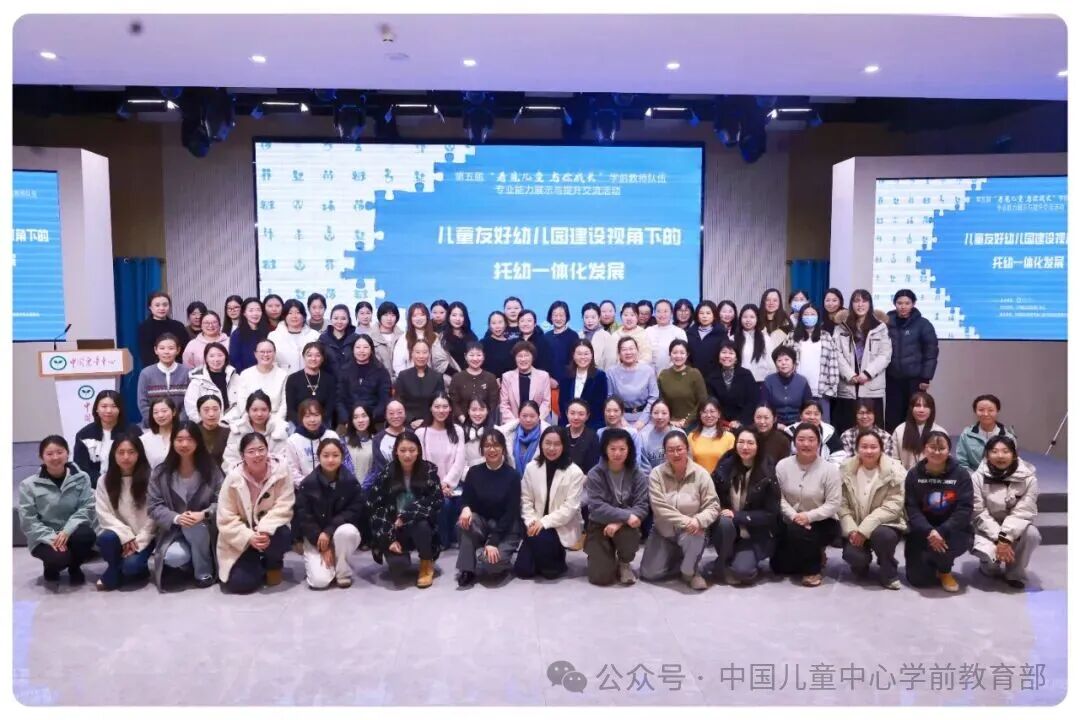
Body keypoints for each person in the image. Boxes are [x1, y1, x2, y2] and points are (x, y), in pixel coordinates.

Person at [147, 421, 225, 590]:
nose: (184, 444)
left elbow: (223, 501)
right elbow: (153, 506)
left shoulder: (212, 470)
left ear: (198, 441)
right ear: (172, 441)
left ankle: (203, 572)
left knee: (194, 526)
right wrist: (176, 518)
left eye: (190, 439)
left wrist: (204, 514)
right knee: (173, 557)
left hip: (205, 529)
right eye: (179, 439)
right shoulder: (161, 472)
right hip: (174, 531)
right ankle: (193, 561)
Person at [216, 431, 295, 593]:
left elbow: (284, 504)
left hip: (270, 531)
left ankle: (273, 563)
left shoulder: (281, 471)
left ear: (268, 450)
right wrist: (249, 537)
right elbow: (226, 517)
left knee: (282, 535)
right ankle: (254, 561)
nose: (257, 455)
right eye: (251, 451)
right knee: (241, 584)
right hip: (241, 536)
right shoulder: (233, 478)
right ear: (242, 456)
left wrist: (264, 529)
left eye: (261, 449)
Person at [640, 431, 719, 590]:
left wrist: (697, 521)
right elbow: (659, 506)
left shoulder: (701, 474)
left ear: (687, 449)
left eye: (679, 449)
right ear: (665, 452)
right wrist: (685, 520)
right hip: (663, 532)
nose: (675, 454)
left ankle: (690, 572)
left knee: (696, 536)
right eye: (670, 450)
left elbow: (713, 506)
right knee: (649, 574)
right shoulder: (656, 474)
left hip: (691, 531)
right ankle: (680, 559)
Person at [367, 432, 444, 588]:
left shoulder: (429, 470)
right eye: (402, 450)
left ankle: (426, 563)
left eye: (412, 450)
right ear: (396, 451)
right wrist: (389, 538)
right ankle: (398, 551)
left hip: (417, 525)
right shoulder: (387, 473)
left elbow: (435, 500)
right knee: (399, 566)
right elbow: (376, 506)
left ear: (418, 451)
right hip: (394, 527)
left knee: (422, 525)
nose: (407, 455)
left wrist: (405, 516)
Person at [771, 423, 842, 587]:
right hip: (791, 520)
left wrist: (808, 516)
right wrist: (794, 516)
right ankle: (812, 554)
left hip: (822, 522)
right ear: (794, 442)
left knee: (799, 531)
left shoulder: (830, 470)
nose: (806, 444)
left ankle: (812, 570)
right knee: (779, 567)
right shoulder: (782, 466)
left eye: (811, 440)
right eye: (801, 439)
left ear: (819, 443)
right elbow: (778, 497)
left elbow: (833, 503)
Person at [18, 436, 96, 584]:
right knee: (59, 558)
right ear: (41, 457)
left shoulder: (82, 477)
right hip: (43, 537)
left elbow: (86, 507)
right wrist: (52, 538)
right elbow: (28, 520)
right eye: (49, 454)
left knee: (86, 535)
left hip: (72, 531)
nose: (55, 457)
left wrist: (67, 530)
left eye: (59, 452)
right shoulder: (28, 485)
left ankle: (75, 567)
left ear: (67, 453)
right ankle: (51, 567)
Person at [904, 431, 974, 592]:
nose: (936, 452)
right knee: (918, 580)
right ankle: (930, 564)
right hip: (923, 530)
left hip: (952, 529)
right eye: (932, 447)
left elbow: (964, 509)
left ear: (949, 450)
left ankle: (945, 570)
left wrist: (941, 530)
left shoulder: (961, 474)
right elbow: (911, 508)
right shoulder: (913, 474)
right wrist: (929, 531)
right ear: (924, 449)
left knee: (948, 545)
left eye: (941, 448)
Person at [710, 428, 780, 585]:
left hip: (754, 533)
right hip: (729, 528)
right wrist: (720, 510)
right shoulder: (725, 465)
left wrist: (738, 516)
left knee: (743, 572)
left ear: (758, 446)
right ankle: (724, 560)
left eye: (750, 443)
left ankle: (735, 562)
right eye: (741, 442)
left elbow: (771, 514)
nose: (745, 447)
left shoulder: (768, 471)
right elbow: (712, 495)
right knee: (724, 521)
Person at [838, 430, 907, 590]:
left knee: (884, 537)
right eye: (864, 447)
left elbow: (894, 505)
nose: (869, 451)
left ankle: (888, 571)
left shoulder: (895, 470)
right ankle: (861, 565)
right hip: (855, 524)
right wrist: (852, 530)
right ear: (857, 449)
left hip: (885, 525)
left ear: (881, 449)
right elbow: (841, 503)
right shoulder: (845, 469)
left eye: (873, 447)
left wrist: (864, 529)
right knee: (853, 555)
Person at [971, 436, 1040, 589]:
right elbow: (978, 512)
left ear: (1014, 454)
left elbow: (1023, 512)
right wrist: (999, 538)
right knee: (990, 569)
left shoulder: (1029, 479)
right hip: (986, 527)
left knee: (1032, 534)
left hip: (1014, 527)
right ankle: (988, 566)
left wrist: (1005, 538)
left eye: (1005, 451)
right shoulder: (977, 477)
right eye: (994, 451)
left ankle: (1015, 573)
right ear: (987, 455)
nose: (1000, 456)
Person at [515, 426, 585, 579]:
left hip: (560, 525)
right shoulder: (531, 468)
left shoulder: (575, 472)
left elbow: (569, 509)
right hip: (535, 523)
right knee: (523, 571)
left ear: (564, 446)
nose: (551, 448)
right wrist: (532, 521)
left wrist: (543, 523)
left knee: (550, 573)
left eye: (557, 444)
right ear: (541, 444)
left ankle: (556, 554)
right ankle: (545, 556)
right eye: (547, 443)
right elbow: (525, 500)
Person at [294, 438, 365, 589]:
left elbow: (354, 511)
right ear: (318, 457)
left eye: (335, 455)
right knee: (319, 582)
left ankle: (342, 572)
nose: (331, 460)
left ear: (342, 457)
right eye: (326, 455)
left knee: (348, 532)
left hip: (337, 532)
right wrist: (321, 544)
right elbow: (304, 517)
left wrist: (328, 531)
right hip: (316, 536)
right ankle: (328, 560)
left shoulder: (351, 482)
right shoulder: (308, 484)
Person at [455, 429, 522, 587]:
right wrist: (465, 508)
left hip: (506, 527)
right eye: (487, 446)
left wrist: (493, 541)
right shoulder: (474, 472)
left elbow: (510, 513)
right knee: (463, 523)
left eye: (496, 445)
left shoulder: (512, 476)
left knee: (491, 565)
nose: (492, 450)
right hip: (483, 523)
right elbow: (466, 498)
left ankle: (496, 558)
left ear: (503, 449)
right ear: (482, 449)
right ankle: (467, 569)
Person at [584, 428, 649, 585]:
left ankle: (624, 563)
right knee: (600, 578)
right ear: (605, 449)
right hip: (599, 525)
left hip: (626, 526)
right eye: (612, 449)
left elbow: (642, 506)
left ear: (629, 450)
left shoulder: (637, 474)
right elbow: (596, 507)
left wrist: (619, 522)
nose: (617, 453)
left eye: (622, 449)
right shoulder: (595, 474)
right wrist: (626, 516)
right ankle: (604, 556)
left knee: (629, 533)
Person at [94, 434, 157, 590]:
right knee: (106, 539)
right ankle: (115, 569)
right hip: (118, 535)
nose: (126, 457)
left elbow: (154, 516)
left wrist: (138, 541)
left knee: (131, 566)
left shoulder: (151, 478)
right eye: (121, 452)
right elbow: (104, 514)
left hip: (144, 537)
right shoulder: (104, 480)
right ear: (113, 455)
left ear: (139, 454)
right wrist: (126, 536)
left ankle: (122, 570)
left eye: (131, 452)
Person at [833, 289, 892, 436]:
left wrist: (867, 373)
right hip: (848, 386)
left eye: (864, 301)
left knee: (873, 432)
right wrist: (850, 375)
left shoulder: (880, 327)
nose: (860, 305)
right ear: (851, 304)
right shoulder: (841, 327)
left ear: (870, 304)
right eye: (856, 301)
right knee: (848, 430)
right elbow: (836, 353)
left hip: (872, 386)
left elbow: (885, 355)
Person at [416, 393, 467, 548]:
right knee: (444, 503)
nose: (441, 410)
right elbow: (421, 464)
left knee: (461, 500)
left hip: (454, 485)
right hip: (430, 486)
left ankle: (456, 538)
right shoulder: (421, 433)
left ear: (450, 408)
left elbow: (459, 461)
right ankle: (443, 541)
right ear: (430, 409)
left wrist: (447, 483)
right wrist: (438, 486)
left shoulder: (457, 430)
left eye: (445, 406)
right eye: (437, 407)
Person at [885, 289, 939, 432]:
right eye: (899, 303)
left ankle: (915, 442)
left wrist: (926, 377)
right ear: (894, 304)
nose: (903, 306)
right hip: (892, 378)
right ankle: (893, 443)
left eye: (907, 303)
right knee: (892, 414)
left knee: (914, 413)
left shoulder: (923, 324)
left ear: (913, 304)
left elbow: (931, 352)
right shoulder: (886, 323)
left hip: (915, 379)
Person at [73, 389, 141, 488]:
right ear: (96, 409)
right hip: (94, 488)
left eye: (114, 406)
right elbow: (81, 467)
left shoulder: (134, 431)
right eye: (104, 406)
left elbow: (141, 461)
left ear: (120, 409)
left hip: (130, 485)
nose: (109, 411)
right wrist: (102, 483)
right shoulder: (84, 434)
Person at [788, 303, 840, 423]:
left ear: (818, 317)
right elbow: (786, 359)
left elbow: (833, 362)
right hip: (797, 389)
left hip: (821, 390)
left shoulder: (826, 336)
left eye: (812, 314)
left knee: (822, 426)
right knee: (799, 425)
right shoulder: (792, 335)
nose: (809, 316)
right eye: (806, 314)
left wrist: (832, 387)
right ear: (801, 317)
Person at [285, 399, 353, 486]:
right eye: (307, 416)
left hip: (333, 486)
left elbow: (342, 462)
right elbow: (292, 470)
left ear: (322, 416)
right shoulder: (293, 440)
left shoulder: (332, 435)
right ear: (301, 418)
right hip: (306, 487)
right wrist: (309, 485)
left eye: (316, 415)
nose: (312, 420)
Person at [222, 391, 289, 471]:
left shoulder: (279, 430)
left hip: (274, 475)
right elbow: (230, 461)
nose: (259, 414)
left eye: (264, 410)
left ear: (269, 410)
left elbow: (284, 459)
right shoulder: (237, 430)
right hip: (242, 476)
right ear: (248, 410)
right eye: (255, 410)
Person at [336, 334, 392, 427]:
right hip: (349, 420)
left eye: (365, 347)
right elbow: (339, 400)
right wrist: (347, 419)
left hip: (375, 420)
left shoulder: (381, 371)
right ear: (353, 349)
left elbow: (384, 400)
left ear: (371, 349)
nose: (361, 350)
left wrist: (370, 418)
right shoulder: (344, 370)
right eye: (358, 347)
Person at [392, 302, 455, 381]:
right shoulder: (404, 338)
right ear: (410, 319)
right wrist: (408, 380)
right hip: (409, 381)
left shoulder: (435, 337)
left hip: (432, 381)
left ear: (427, 317)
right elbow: (398, 365)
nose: (419, 318)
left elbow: (440, 363)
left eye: (422, 315)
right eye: (415, 316)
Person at [136, 333, 190, 426]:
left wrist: (178, 424)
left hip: (180, 426)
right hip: (153, 426)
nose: (166, 352)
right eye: (162, 348)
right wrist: (155, 422)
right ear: (155, 350)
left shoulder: (187, 372)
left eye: (171, 348)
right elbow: (143, 403)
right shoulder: (146, 373)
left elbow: (189, 402)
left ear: (178, 350)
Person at [606, 337, 659, 431]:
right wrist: (621, 420)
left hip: (645, 417)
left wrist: (642, 421)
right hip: (619, 419)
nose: (628, 352)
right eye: (624, 349)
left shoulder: (648, 370)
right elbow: (609, 398)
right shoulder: (611, 372)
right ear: (619, 353)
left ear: (637, 351)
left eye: (631, 348)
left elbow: (653, 398)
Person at [956, 394, 1017, 471]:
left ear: (997, 411)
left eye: (990, 410)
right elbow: (962, 463)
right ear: (975, 411)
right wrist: (974, 476)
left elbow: (1012, 463)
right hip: (972, 475)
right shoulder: (966, 435)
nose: (985, 414)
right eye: (981, 410)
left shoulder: (1008, 437)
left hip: (1001, 476)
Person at [706, 341, 759, 429]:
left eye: (731, 353)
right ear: (718, 356)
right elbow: (711, 403)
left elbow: (752, 401)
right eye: (724, 352)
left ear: (736, 358)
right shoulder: (711, 377)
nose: (727, 356)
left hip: (743, 423)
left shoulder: (746, 375)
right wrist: (722, 422)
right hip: (719, 423)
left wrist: (740, 421)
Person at [499, 340, 553, 426]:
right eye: (519, 356)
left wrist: (535, 420)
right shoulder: (507, 377)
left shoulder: (543, 376)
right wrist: (515, 424)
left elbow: (546, 402)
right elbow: (504, 404)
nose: (523, 359)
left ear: (533, 357)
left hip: (538, 424)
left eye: (527, 355)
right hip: (513, 424)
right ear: (515, 358)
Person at [235, 339, 289, 424]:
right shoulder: (245, 374)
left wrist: (275, 423)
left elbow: (284, 404)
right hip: (250, 420)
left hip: (275, 421)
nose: (265, 354)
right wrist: (251, 421)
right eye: (262, 352)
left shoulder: (283, 375)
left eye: (269, 351)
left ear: (274, 353)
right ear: (255, 354)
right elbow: (241, 401)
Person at [284, 342, 338, 427]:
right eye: (309, 355)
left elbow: (329, 408)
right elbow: (291, 409)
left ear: (322, 358)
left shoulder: (329, 379)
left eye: (317, 355)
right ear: (304, 357)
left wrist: (318, 424)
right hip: (298, 423)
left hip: (322, 423)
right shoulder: (293, 379)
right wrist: (304, 425)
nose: (313, 358)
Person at [184, 342, 240, 423]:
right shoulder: (197, 380)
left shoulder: (235, 378)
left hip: (232, 424)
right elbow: (191, 408)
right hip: (205, 425)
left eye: (220, 355)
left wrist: (226, 422)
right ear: (206, 359)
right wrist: (204, 424)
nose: (216, 359)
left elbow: (241, 404)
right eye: (211, 356)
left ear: (226, 357)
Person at [395, 340, 447, 427]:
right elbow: (399, 402)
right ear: (412, 354)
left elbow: (440, 403)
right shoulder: (403, 376)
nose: (421, 356)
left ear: (429, 354)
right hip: (408, 422)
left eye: (424, 352)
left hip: (431, 423)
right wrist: (411, 420)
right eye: (417, 352)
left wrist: (426, 421)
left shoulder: (437, 377)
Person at [890, 391, 947, 470]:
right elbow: (893, 460)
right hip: (904, 475)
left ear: (931, 410)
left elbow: (945, 461)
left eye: (926, 406)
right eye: (917, 405)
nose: (921, 410)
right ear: (911, 408)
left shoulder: (940, 432)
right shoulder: (899, 430)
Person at [558, 339, 608, 429]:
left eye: (586, 354)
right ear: (573, 355)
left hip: (592, 425)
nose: (583, 357)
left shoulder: (599, 376)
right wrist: (570, 423)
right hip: (568, 424)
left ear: (592, 355)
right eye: (579, 354)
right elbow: (562, 402)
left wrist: (584, 426)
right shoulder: (566, 374)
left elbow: (600, 405)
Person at [658, 339, 707, 430]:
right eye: (675, 352)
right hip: (669, 422)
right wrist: (669, 420)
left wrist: (686, 420)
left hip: (693, 423)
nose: (678, 356)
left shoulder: (694, 373)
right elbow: (660, 400)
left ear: (687, 355)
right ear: (670, 354)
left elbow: (702, 400)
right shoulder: (663, 375)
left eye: (682, 353)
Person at [448, 341, 500, 424]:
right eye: (471, 355)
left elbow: (493, 403)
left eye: (479, 355)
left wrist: (483, 419)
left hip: (485, 423)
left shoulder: (490, 378)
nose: (475, 359)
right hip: (461, 423)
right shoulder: (457, 377)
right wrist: (463, 419)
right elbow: (453, 402)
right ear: (465, 356)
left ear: (483, 356)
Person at [761, 346, 812, 427]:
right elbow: (764, 406)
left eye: (787, 359)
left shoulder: (802, 381)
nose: (783, 363)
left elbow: (809, 407)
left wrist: (799, 424)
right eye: (779, 360)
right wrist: (775, 424)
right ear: (775, 364)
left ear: (793, 362)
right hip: (774, 425)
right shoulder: (769, 381)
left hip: (799, 425)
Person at [267, 299, 321, 375]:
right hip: (283, 378)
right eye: (290, 313)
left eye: (298, 313)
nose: (294, 316)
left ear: (303, 315)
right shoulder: (274, 336)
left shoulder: (314, 335)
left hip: (309, 378)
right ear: (284, 316)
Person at [137, 291, 189, 367]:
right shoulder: (144, 328)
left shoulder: (178, 326)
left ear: (169, 306)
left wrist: (175, 367)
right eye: (157, 305)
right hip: (154, 369)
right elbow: (146, 354)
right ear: (150, 307)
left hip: (177, 368)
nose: (161, 308)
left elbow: (185, 350)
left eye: (165, 305)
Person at [686, 398, 736, 474]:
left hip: (721, 480)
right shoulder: (691, 437)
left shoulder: (729, 437)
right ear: (700, 414)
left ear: (719, 414)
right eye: (704, 412)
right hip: (698, 479)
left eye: (712, 411)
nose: (708, 415)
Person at [367, 399, 409, 487]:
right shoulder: (377, 439)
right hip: (387, 485)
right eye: (391, 413)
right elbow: (380, 467)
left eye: (399, 412)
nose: (396, 416)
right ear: (385, 416)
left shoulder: (413, 435)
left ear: (405, 414)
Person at [502, 401, 550, 475]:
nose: (528, 420)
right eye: (524, 416)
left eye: (532, 416)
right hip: (513, 479)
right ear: (519, 416)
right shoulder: (507, 433)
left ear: (538, 416)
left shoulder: (547, 434)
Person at [733, 304, 775, 386]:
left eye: (752, 317)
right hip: (739, 381)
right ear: (740, 318)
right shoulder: (733, 339)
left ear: (757, 319)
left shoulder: (765, 339)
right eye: (745, 317)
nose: (748, 320)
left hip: (760, 381)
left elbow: (771, 363)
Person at [637, 401, 682, 476]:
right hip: (652, 480)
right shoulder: (643, 437)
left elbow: (685, 460)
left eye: (664, 413)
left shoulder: (679, 434)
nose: (659, 417)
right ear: (650, 415)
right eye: (656, 413)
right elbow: (644, 468)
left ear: (670, 415)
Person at [645, 300, 686, 374]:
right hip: (650, 374)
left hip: (673, 374)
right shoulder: (648, 331)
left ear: (671, 313)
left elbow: (682, 355)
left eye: (665, 311)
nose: (662, 314)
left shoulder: (679, 332)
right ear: (654, 313)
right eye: (658, 311)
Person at [229, 297, 269, 373]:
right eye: (251, 310)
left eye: (258, 310)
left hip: (266, 373)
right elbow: (234, 360)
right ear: (244, 313)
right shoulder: (237, 334)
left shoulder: (267, 332)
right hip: (245, 375)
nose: (255, 313)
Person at [318, 304, 359, 377]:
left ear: (348, 320)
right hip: (328, 381)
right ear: (331, 319)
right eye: (336, 318)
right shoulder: (322, 339)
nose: (339, 322)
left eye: (343, 318)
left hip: (351, 381)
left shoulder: (356, 339)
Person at [546, 301, 578, 395]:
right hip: (547, 384)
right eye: (555, 315)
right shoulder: (546, 337)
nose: (558, 318)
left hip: (568, 384)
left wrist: (560, 381)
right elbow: (542, 361)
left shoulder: (573, 336)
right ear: (550, 317)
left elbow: (574, 362)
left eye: (561, 315)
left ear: (566, 316)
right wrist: (548, 379)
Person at [686, 300, 725, 376]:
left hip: (715, 376)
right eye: (701, 313)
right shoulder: (690, 333)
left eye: (708, 313)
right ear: (697, 315)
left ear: (714, 315)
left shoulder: (721, 333)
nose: (704, 316)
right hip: (693, 376)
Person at [564, 399, 601, 474]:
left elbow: (593, 467)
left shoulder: (592, 437)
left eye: (581, 414)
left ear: (587, 416)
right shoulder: (561, 434)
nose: (576, 417)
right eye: (572, 413)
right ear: (567, 414)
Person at [441, 301, 477, 378]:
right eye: (454, 315)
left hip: (471, 377)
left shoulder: (472, 337)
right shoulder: (441, 338)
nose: (457, 319)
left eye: (461, 315)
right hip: (449, 378)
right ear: (448, 317)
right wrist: (458, 376)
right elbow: (439, 362)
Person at [141, 397, 179, 469]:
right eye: (155, 412)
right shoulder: (144, 439)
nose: (160, 415)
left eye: (164, 411)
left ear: (174, 412)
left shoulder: (182, 435)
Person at [516, 309, 553, 378]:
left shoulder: (544, 341)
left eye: (529, 321)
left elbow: (546, 364)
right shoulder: (514, 343)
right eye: (522, 321)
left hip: (539, 379)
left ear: (535, 324)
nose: (525, 324)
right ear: (518, 323)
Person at [580, 302, 617, 370]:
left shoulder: (606, 336)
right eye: (586, 317)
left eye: (593, 317)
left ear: (599, 318)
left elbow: (611, 360)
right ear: (582, 318)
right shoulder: (578, 335)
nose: (590, 320)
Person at [343, 404, 375, 485]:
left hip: (369, 487)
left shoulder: (376, 441)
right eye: (356, 417)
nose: (360, 420)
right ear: (351, 421)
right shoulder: (343, 442)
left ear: (370, 418)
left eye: (364, 416)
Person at [196, 395, 230, 468]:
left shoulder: (228, 433)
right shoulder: (192, 432)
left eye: (215, 409)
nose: (211, 414)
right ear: (199, 412)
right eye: (206, 410)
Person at [614, 302, 652, 367]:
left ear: (637, 317)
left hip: (639, 370)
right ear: (621, 316)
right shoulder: (615, 335)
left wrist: (633, 367)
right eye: (625, 315)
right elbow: (612, 359)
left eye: (632, 315)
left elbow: (647, 357)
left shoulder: (643, 334)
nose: (629, 318)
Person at [481, 310, 516, 379]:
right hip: (488, 382)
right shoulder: (483, 343)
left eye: (500, 322)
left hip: (508, 382)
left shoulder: (512, 345)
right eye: (493, 323)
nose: (497, 326)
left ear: (505, 324)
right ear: (489, 326)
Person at [372, 301, 403, 374]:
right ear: (379, 316)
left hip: (400, 378)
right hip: (378, 378)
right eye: (385, 315)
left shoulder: (403, 337)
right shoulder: (370, 337)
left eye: (392, 315)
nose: (389, 319)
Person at [461, 398, 494, 468]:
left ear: (487, 411)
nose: (477, 413)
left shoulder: (496, 432)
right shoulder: (461, 433)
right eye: (473, 410)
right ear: (468, 411)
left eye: (481, 409)